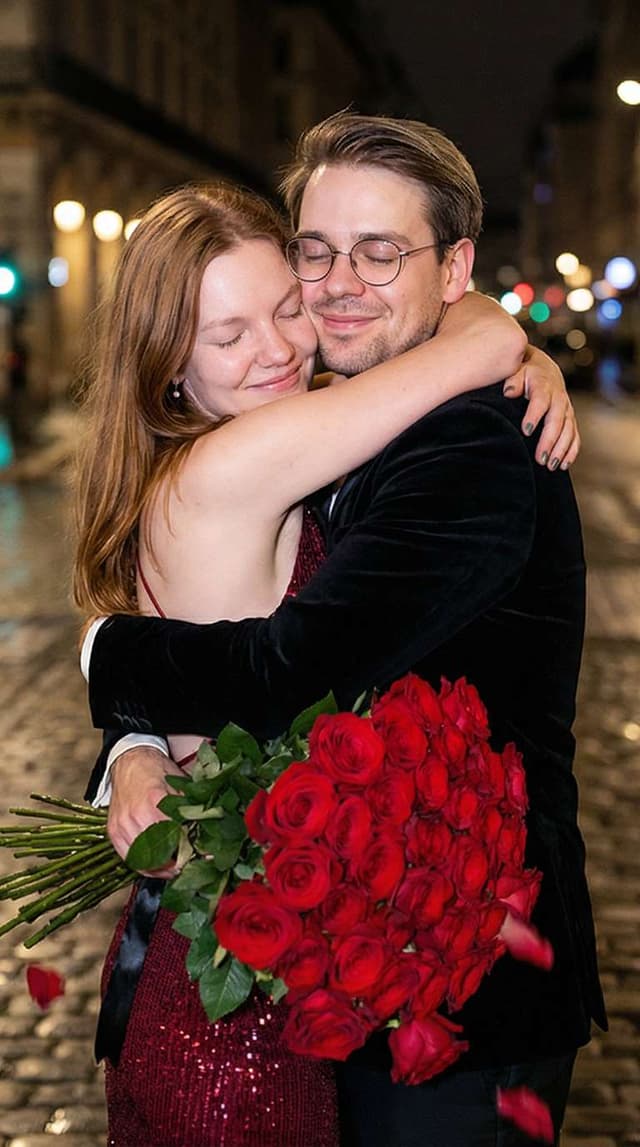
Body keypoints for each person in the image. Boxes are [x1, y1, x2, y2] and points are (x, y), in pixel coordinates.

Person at [80, 113, 601, 1146]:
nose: (337, 284)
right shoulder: (334, 416)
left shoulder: (469, 443)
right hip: (339, 981)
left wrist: (107, 654)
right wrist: (135, 750)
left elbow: (287, 667)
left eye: (381, 251)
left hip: (464, 994)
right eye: (316, 251)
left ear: (452, 268)